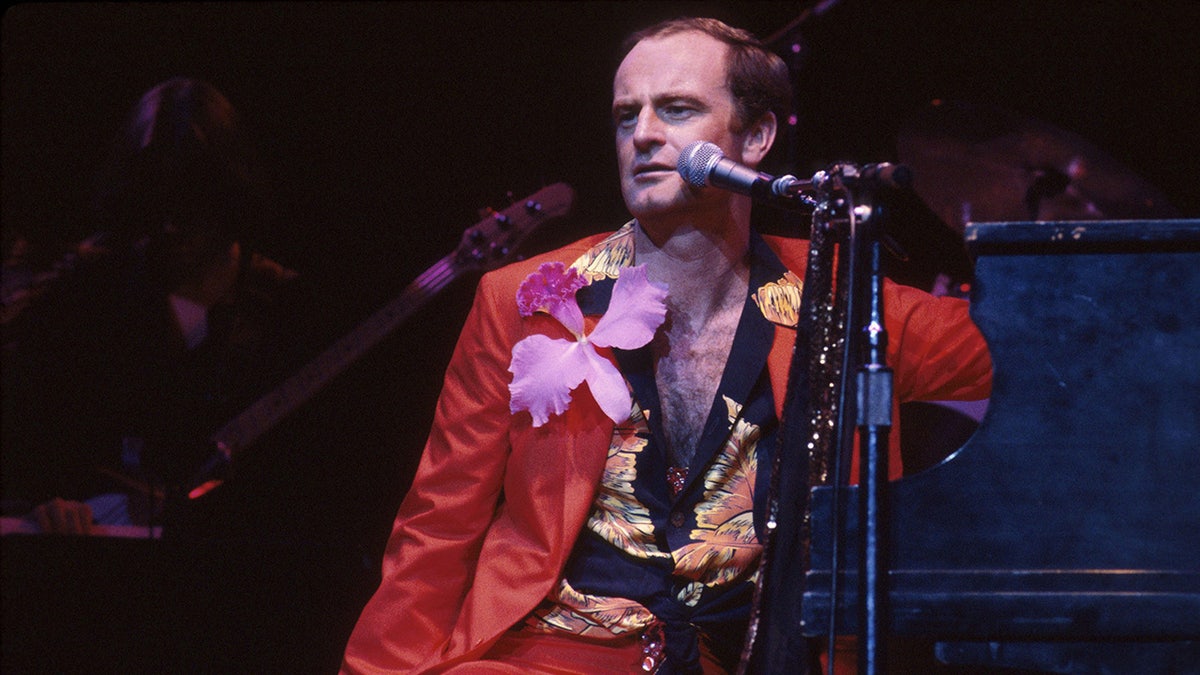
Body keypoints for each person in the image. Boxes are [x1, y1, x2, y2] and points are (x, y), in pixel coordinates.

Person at [340, 17, 991, 674]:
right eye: (627, 116)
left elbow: (1031, 348)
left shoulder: (842, 297)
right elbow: (438, 525)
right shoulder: (522, 297)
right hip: (550, 655)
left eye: (676, 109)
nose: (643, 134)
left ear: (758, 135)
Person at [1, 77, 314, 535]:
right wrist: (44, 510)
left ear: (229, 188)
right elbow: (33, 443)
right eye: (156, 189)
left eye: (194, 191)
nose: (172, 219)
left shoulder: (285, 312)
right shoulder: (86, 295)